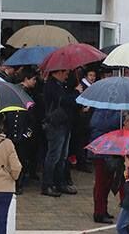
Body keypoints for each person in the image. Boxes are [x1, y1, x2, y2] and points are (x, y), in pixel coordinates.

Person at [41, 68, 80, 197]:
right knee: (54, 155)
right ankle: (47, 184)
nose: (66, 76)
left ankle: (60, 182)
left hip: (65, 123)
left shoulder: (61, 85)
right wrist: (76, 92)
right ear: (58, 72)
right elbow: (64, 100)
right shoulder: (51, 85)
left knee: (63, 156)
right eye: (65, 73)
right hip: (55, 124)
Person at [89, 104, 122, 223]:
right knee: (101, 182)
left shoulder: (109, 109)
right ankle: (99, 212)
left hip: (109, 148)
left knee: (107, 181)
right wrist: (121, 117)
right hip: (102, 149)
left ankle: (103, 209)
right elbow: (100, 124)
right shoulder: (103, 110)